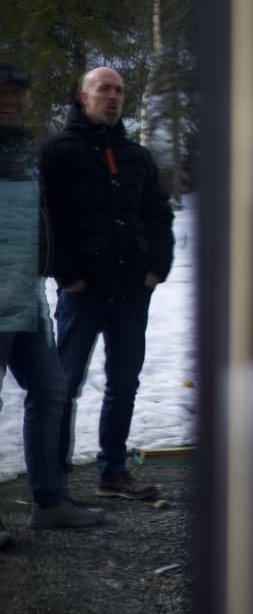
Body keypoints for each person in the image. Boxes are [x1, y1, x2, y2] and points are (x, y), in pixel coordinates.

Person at [39, 66, 175, 501]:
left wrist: (156, 269)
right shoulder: (59, 152)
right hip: (83, 291)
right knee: (64, 383)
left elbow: (158, 215)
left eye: (118, 90)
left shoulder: (135, 156)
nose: (113, 97)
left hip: (132, 289)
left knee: (124, 381)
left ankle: (113, 471)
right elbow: (47, 220)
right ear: (83, 97)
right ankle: (54, 474)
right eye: (104, 90)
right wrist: (67, 275)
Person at [0, 61, 105, 546]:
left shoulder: (27, 151)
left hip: (28, 301)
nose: (13, 101)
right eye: (4, 93)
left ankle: (50, 502)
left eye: (19, 92)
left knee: (52, 391)